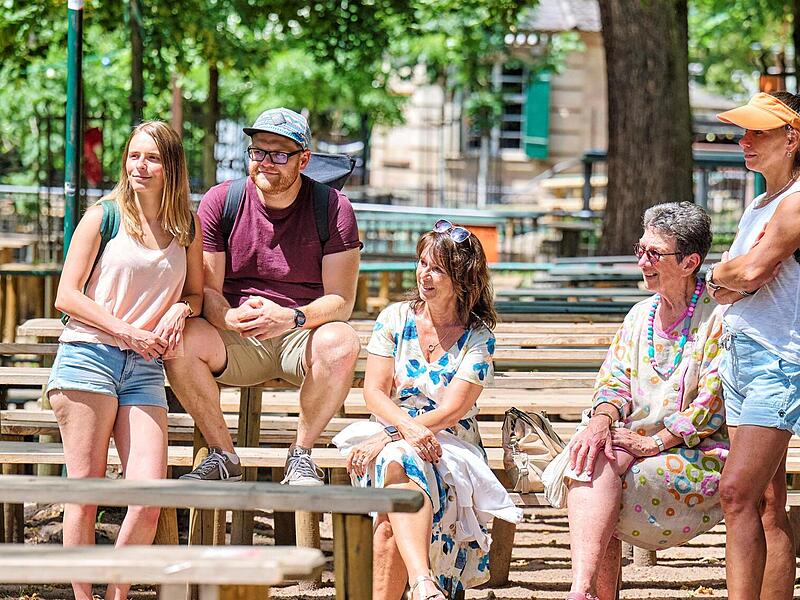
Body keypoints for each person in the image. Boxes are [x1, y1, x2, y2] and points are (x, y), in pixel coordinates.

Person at [47, 120, 203, 600]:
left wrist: (181, 308)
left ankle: (117, 593)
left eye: (152, 157)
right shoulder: (104, 216)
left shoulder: (186, 226)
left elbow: (196, 293)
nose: (140, 166)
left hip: (144, 369)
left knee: (149, 497)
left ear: (171, 166)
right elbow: (66, 295)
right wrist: (127, 331)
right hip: (89, 356)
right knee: (86, 493)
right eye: (134, 156)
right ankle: (82, 596)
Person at [167, 107, 362, 484]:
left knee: (342, 342)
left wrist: (290, 318)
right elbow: (206, 288)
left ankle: (302, 454)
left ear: (304, 159)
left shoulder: (334, 207)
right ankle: (223, 454)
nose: (266, 162)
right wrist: (227, 317)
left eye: (279, 154)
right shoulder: (220, 201)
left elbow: (341, 300)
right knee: (179, 342)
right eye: (258, 152)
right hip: (236, 336)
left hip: (301, 333)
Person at [546, 202, 728, 600]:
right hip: (630, 444)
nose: (642, 261)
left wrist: (655, 442)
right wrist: (600, 422)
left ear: (689, 261)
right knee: (591, 455)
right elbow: (612, 384)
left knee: (600, 487)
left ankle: (584, 591)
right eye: (640, 249)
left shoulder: (718, 319)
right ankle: (583, 590)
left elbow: (712, 404)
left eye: (654, 253)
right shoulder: (639, 315)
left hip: (697, 453)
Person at [333, 220, 522, 600]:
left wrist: (392, 434)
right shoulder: (394, 319)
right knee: (398, 469)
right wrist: (400, 430)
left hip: (448, 443)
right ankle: (423, 584)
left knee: (390, 515)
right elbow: (374, 392)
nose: (425, 275)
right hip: (393, 437)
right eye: (422, 263)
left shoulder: (479, 336)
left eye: (437, 268)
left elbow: (453, 410)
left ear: (462, 279)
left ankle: (420, 583)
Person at [706, 91, 800, 600]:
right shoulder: (761, 204)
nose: (744, 140)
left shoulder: (797, 201)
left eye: (757, 131)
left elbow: (751, 271)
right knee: (765, 502)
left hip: (779, 361)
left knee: (735, 492)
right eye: (743, 131)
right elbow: (728, 287)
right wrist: (728, 277)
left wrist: (724, 274)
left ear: (792, 138)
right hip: (742, 356)